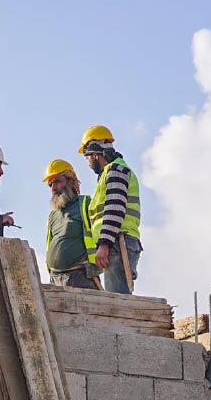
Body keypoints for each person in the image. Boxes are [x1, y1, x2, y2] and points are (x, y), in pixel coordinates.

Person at [78, 124, 142, 293]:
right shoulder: (110, 172)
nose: (88, 163)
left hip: (118, 243)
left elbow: (115, 209)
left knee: (118, 303)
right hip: (117, 242)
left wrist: (104, 244)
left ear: (95, 154)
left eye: (87, 158)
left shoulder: (115, 170)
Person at [42, 159, 97, 288]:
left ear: (70, 181)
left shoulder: (85, 203)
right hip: (54, 278)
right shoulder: (53, 214)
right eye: (50, 185)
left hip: (80, 276)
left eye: (57, 181)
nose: (54, 188)